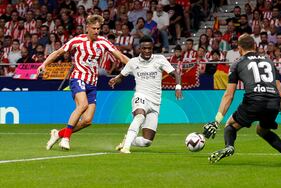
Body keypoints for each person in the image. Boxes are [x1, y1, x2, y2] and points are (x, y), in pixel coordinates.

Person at [203, 34, 281, 164]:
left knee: (230, 125)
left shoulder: (237, 64)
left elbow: (229, 95)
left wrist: (216, 121)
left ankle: (229, 147)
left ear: (239, 48)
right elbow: (280, 92)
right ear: (255, 46)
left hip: (253, 101)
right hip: (273, 102)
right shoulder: (269, 62)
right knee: (262, 130)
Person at [37, 15, 129, 150]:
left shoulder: (103, 42)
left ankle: (59, 134)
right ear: (88, 28)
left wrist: (136, 65)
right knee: (82, 105)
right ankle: (66, 139)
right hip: (78, 78)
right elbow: (58, 53)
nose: (97, 31)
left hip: (92, 82)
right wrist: (44, 64)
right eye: (94, 28)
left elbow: (120, 56)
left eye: (98, 28)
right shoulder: (78, 40)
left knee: (87, 120)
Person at [108, 36, 182, 154]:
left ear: (152, 48)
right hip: (141, 96)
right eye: (144, 48)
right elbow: (122, 76)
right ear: (139, 49)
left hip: (155, 103)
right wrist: (115, 80)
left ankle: (128, 140)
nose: (147, 51)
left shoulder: (160, 59)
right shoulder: (133, 62)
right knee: (140, 116)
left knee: (147, 141)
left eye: (149, 48)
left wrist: (178, 87)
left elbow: (176, 74)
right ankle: (126, 148)